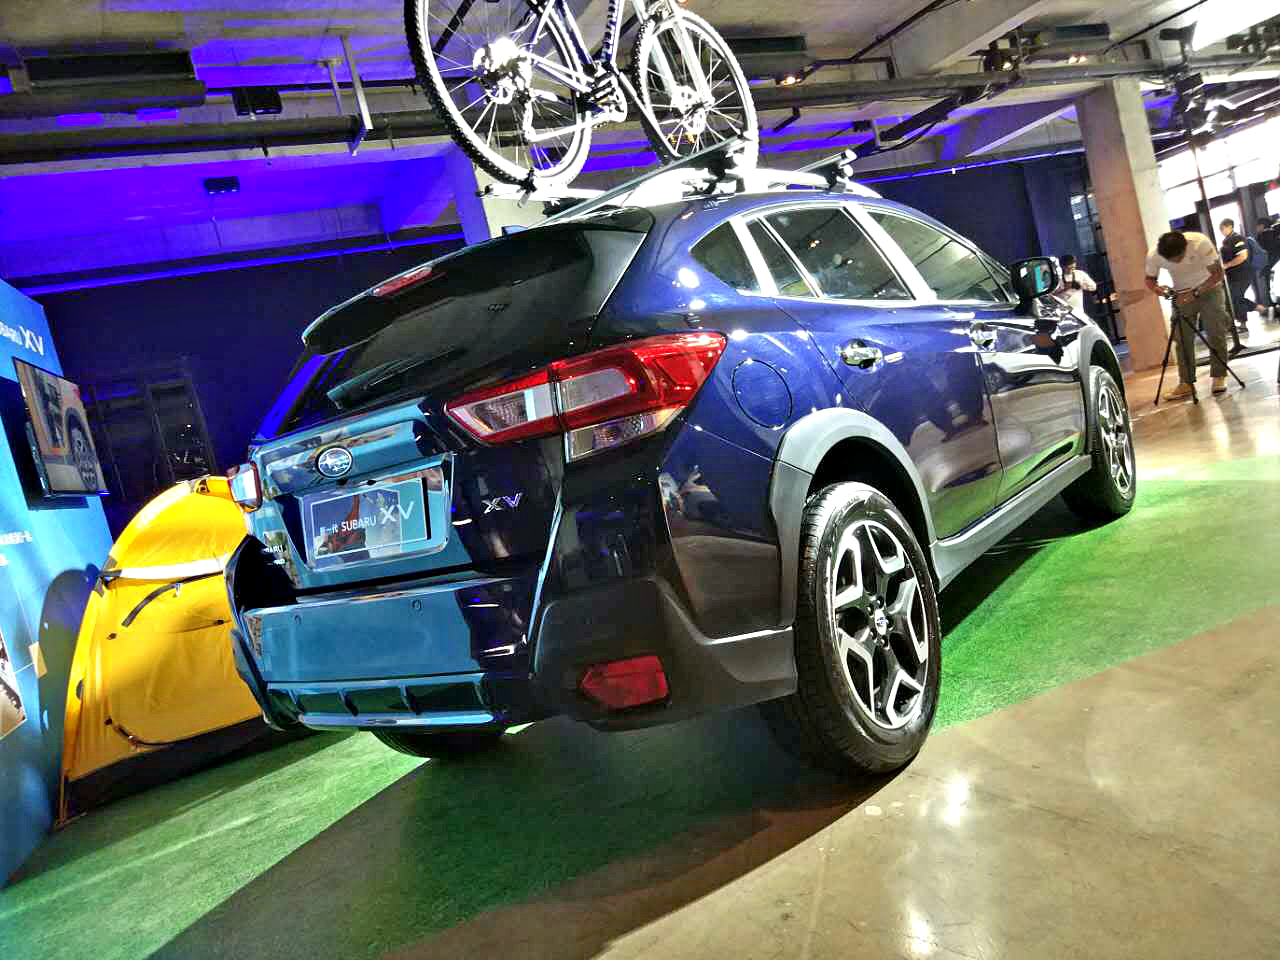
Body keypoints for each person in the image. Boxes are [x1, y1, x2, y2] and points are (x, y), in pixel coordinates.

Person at [1145, 229, 1233, 398]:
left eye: (1179, 257)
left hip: (1210, 289)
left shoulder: (1199, 242)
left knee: (1216, 331)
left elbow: (1218, 274)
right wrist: (1159, 290)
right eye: (1171, 260)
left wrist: (1196, 293)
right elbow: (1149, 280)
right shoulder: (1154, 255)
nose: (1176, 262)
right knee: (1182, 339)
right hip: (1182, 294)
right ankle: (1186, 383)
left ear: (1185, 246)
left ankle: (1219, 376)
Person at [1218, 218, 1252, 347]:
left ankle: (1243, 324)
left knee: (1235, 298)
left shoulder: (1237, 238)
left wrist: (1226, 266)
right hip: (1233, 276)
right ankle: (1255, 310)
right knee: (1233, 298)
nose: (1221, 231)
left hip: (1241, 274)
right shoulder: (1227, 240)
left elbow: (1242, 256)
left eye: (1222, 228)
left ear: (1230, 226)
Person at [1257, 216, 1280, 318]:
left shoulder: (1261, 237)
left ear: (1261, 226)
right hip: (1277, 264)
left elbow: (1260, 254)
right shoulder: (1276, 233)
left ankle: (1275, 312)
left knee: (1271, 290)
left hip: (1268, 267)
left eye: (1257, 226)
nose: (1257, 228)